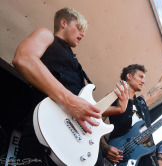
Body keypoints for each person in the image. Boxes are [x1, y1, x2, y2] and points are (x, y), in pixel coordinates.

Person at [12, 7, 128, 166]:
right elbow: (24, 58)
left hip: (76, 146)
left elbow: (83, 108)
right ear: (63, 22)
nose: (83, 34)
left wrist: (117, 109)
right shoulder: (47, 36)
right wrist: (70, 101)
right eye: (79, 28)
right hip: (46, 132)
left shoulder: (77, 65)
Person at [101, 48, 162, 166]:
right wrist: (105, 147)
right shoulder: (112, 98)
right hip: (118, 156)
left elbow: (160, 85)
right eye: (141, 77)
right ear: (129, 76)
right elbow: (94, 124)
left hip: (144, 155)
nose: (144, 81)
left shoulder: (141, 102)